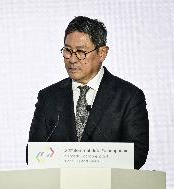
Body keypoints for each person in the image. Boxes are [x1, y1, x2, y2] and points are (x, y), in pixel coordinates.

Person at [28, 16, 149, 169]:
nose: (72, 59)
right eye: (67, 50)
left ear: (102, 53)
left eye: (80, 52)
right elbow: (33, 153)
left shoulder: (129, 97)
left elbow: (137, 155)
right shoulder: (48, 97)